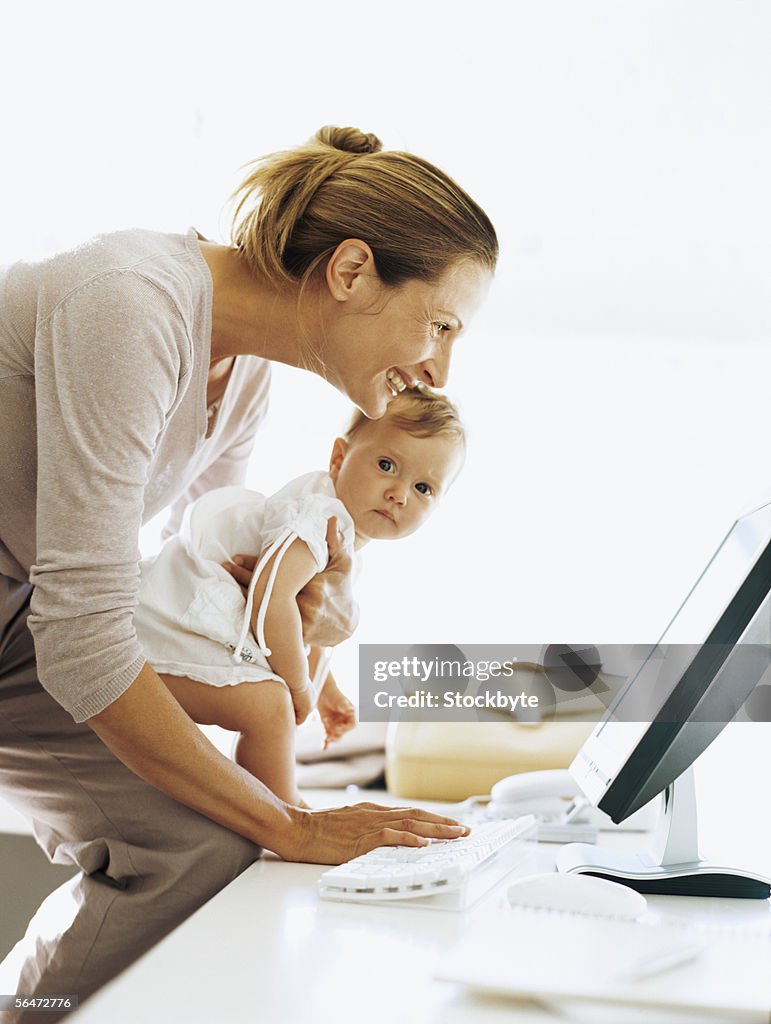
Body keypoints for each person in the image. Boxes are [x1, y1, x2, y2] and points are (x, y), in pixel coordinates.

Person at [0, 124, 496, 1016]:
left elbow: (192, 580)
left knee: (204, 845)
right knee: (245, 827)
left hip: (22, 619)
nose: (441, 365)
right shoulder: (127, 302)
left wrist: (308, 639)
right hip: (40, 624)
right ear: (350, 273)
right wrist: (291, 822)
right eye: (441, 323)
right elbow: (84, 635)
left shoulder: (247, 374)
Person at [135, 387, 466, 807]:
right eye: (387, 465)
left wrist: (325, 692)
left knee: (274, 704)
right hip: (156, 624)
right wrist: (299, 688)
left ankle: (279, 804)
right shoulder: (319, 517)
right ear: (339, 458)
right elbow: (272, 602)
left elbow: (301, 621)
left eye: (423, 488)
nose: (399, 494)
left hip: (173, 622)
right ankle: (283, 810)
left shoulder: (338, 531)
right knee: (271, 707)